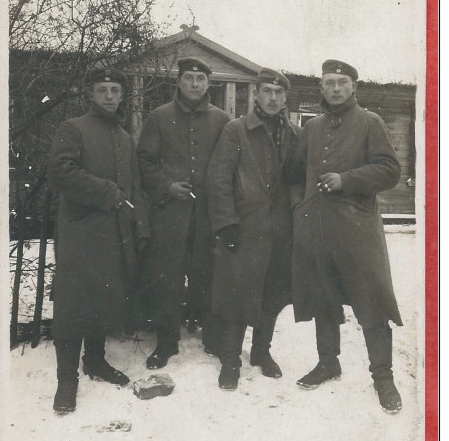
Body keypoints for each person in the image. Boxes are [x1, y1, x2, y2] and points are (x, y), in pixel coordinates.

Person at [291, 59, 403, 413]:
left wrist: (347, 179)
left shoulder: (371, 123)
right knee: (324, 298)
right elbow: (294, 174)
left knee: (371, 301)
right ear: (321, 88)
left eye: (342, 82)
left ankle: (383, 378)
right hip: (318, 229)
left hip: (358, 231)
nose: (335, 88)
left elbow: (390, 170)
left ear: (354, 86)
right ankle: (328, 362)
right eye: (329, 83)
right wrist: (300, 207)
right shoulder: (311, 129)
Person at [48, 67, 150, 414]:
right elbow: (61, 172)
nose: (109, 96)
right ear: (90, 94)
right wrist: (105, 191)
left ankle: (94, 361)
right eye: (102, 90)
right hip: (81, 232)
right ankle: (66, 380)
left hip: (115, 234)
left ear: (123, 96)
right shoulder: (73, 128)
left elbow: (134, 186)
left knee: (103, 299)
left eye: (115, 91)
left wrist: (140, 225)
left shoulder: (124, 137)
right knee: (72, 304)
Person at [206, 68, 301, 391]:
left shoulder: (293, 133)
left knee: (272, 294)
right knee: (237, 292)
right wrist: (227, 223)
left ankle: (261, 352)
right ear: (255, 95)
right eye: (267, 92)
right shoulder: (237, 131)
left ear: (285, 97)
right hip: (245, 228)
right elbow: (218, 180)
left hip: (280, 231)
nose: (273, 99)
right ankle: (231, 358)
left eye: (278, 93)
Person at [137, 57, 229, 369]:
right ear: (179, 81)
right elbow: (145, 162)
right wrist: (166, 186)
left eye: (199, 79)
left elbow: (228, 165)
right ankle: (166, 341)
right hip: (169, 213)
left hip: (207, 213)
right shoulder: (159, 117)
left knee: (208, 273)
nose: (193, 84)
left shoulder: (221, 120)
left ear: (208, 84)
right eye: (188, 78)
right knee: (168, 277)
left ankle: (212, 336)